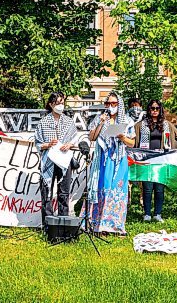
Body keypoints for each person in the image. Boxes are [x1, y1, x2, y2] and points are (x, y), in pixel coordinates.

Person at [134, 99, 177, 222]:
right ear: (148, 110)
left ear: (160, 110)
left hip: (162, 160)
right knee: (147, 189)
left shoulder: (167, 125)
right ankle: (147, 213)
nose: (154, 111)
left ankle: (158, 214)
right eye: (152, 108)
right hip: (146, 160)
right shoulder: (140, 125)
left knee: (160, 189)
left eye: (157, 108)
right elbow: (132, 140)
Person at [87, 92, 135, 235]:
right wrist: (101, 123)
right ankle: (100, 224)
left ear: (119, 105)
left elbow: (132, 143)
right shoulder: (99, 118)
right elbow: (92, 137)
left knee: (118, 190)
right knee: (104, 188)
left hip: (119, 161)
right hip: (103, 160)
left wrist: (122, 137)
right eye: (108, 104)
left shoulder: (126, 120)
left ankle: (116, 225)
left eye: (114, 104)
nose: (110, 106)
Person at [34, 92, 77, 226]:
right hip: (49, 161)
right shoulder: (43, 122)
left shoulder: (69, 121)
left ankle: (63, 223)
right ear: (51, 104)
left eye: (62, 103)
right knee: (46, 192)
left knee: (63, 193)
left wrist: (69, 144)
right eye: (58, 103)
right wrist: (48, 144)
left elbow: (74, 138)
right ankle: (48, 224)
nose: (60, 106)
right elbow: (38, 143)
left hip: (64, 161)